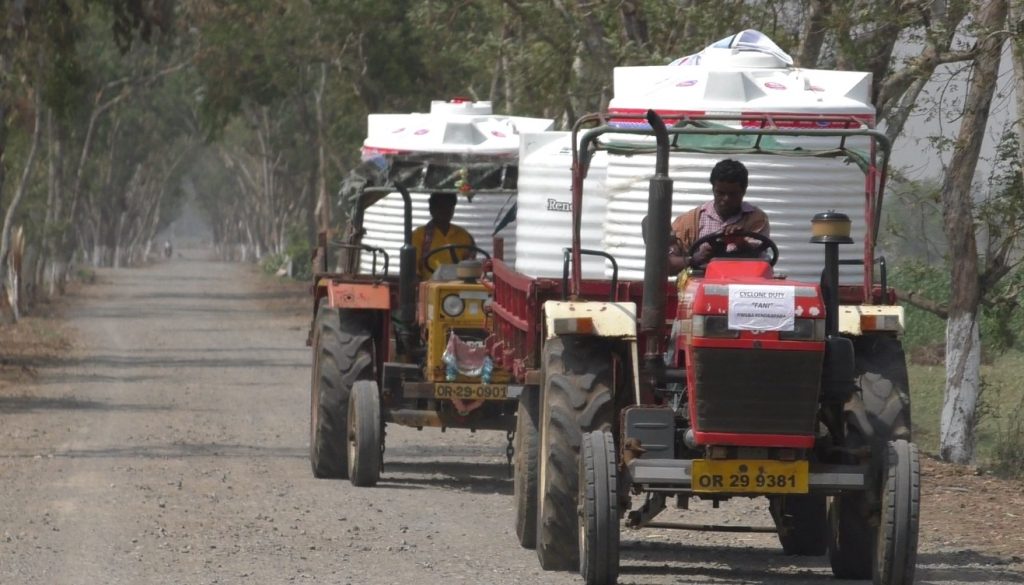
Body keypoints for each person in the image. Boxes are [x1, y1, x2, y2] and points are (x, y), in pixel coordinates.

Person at [660, 159, 769, 274]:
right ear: (713, 189)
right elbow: (666, 265)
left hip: (742, 284)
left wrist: (740, 243)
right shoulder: (690, 221)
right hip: (700, 284)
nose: (726, 199)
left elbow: (761, 261)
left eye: (733, 194)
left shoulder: (756, 219)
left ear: (744, 191)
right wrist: (696, 258)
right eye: (720, 193)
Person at [412, 192, 476, 279]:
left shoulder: (464, 235)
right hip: (430, 288)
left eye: (448, 207)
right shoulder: (419, 235)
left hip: (458, 288)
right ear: (431, 209)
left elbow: (471, 266)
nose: (444, 211)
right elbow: (412, 270)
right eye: (440, 207)